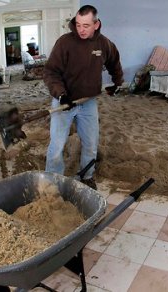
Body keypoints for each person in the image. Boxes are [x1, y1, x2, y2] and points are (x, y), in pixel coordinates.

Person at [43, 5, 124, 190]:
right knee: (56, 146)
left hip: (88, 102)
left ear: (96, 24)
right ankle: (53, 182)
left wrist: (117, 82)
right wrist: (61, 94)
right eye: (78, 24)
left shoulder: (103, 44)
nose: (81, 29)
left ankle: (87, 176)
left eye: (86, 25)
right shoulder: (64, 43)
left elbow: (114, 61)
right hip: (64, 101)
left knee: (90, 143)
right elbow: (50, 72)